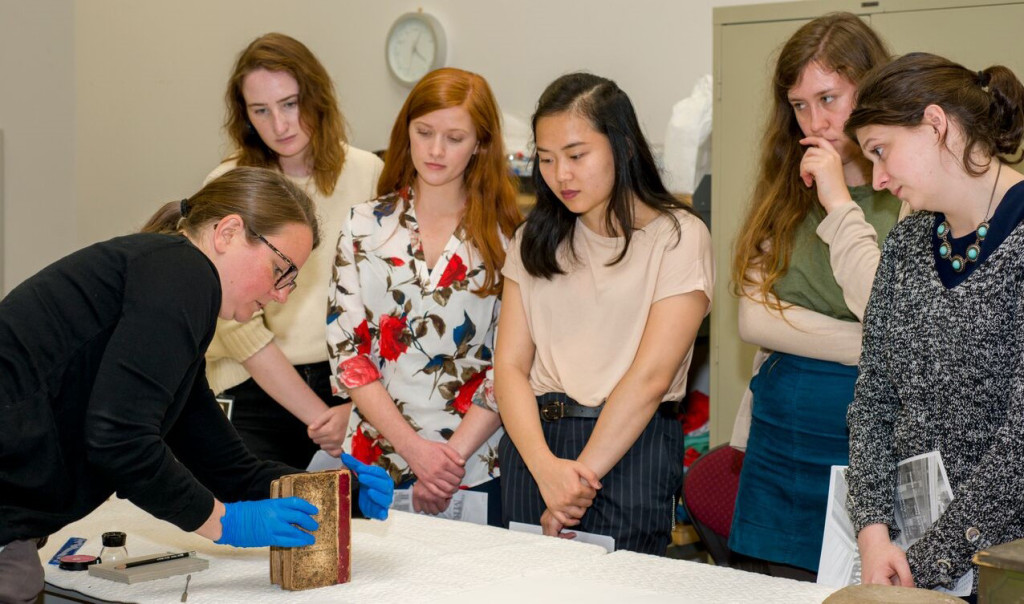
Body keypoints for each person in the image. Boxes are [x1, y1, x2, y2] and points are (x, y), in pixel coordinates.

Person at [0, 167, 393, 603]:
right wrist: (224, 524)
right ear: (227, 233)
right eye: (280, 269)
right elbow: (119, 441)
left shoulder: (171, 287)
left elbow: (227, 468)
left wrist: (341, 497)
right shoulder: (181, 273)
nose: (282, 294)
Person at [494, 73, 713, 555]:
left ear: (623, 146)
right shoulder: (535, 237)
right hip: (535, 449)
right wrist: (546, 469)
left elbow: (651, 376)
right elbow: (508, 367)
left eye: (576, 155)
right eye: (547, 159)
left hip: (628, 448)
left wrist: (575, 485)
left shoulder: (678, 236)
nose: (560, 175)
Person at [727, 13, 904, 578]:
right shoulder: (784, 183)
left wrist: (837, 199)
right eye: (799, 105)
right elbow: (754, 320)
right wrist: (871, 343)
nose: (815, 122)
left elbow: (884, 309)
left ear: (870, 89)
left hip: (873, 449)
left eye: (829, 98)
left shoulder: (908, 189)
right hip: (779, 447)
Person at [844, 52, 1024, 596]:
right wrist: (874, 533)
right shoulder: (906, 244)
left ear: (936, 124)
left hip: (1003, 564)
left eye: (881, 152)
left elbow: (1019, 444)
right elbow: (873, 396)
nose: (877, 179)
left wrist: (929, 560)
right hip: (903, 556)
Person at [326, 67, 521, 527]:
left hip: (473, 465)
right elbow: (347, 354)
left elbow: (512, 364)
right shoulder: (363, 225)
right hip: (376, 460)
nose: (435, 150)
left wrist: (445, 462)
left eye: (454, 137)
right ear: (406, 131)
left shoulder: (511, 237)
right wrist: (416, 453)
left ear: (481, 144)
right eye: (424, 132)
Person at [204, 33, 383, 470]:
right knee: (253, 521)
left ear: (317, 98)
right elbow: (236, 328)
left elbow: (386, 303)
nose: (279, 125)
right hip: (250, 386)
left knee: (359, 527)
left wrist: (355, 408)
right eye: (260, 111)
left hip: (349, 386)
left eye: (290, 104)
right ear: (244, 116)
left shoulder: (368, 174)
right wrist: (319, 417)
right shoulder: (227, 184)